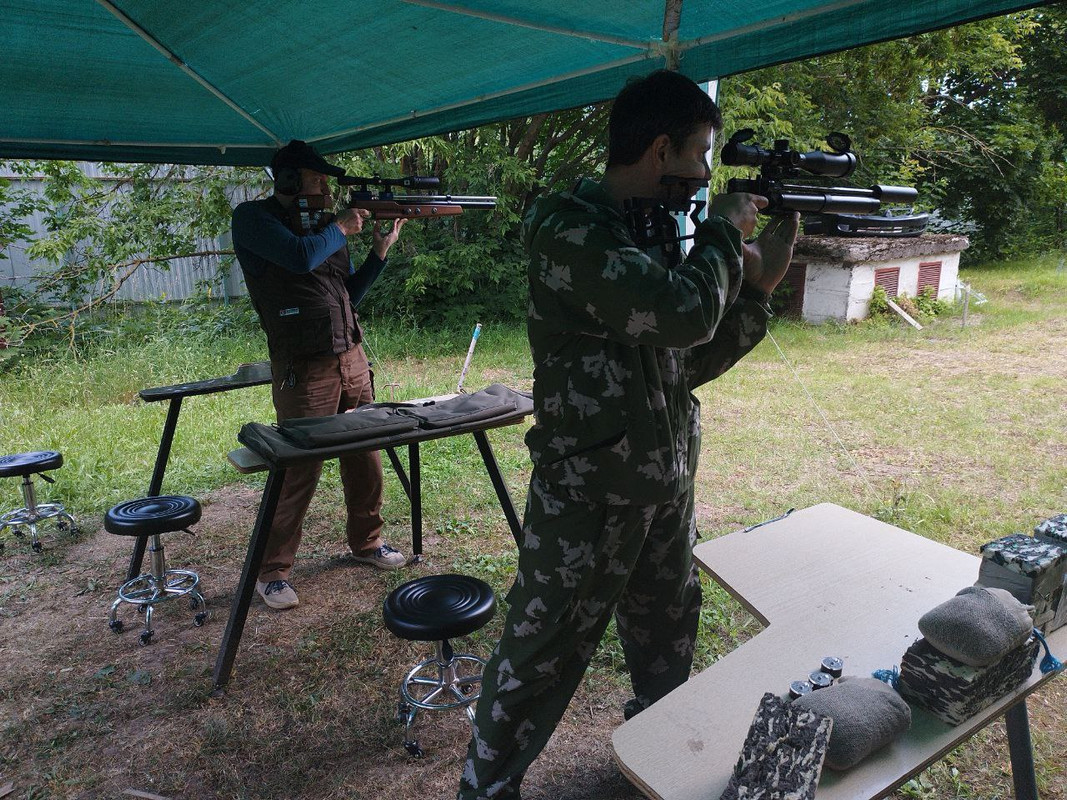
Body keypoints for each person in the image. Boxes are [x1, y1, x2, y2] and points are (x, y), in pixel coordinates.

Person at [457, 70, 799, 798]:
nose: (704, 174)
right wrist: (722, 232)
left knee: (666, 635)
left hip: (661, 482)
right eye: (698, 154)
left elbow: (682, 362)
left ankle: (657, 759)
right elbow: (682, 314)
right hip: (591, 493)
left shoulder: (650, 230)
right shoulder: (570, 231)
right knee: (541, 652)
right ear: (659, 149)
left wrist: (756, 293)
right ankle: (485, 789)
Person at [231, 139, 408, 611]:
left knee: (365, 455)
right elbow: (298, 257)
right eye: (317, 179)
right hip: (304, 368)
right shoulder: (254, 219)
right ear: (290, 180)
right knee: (298, 468)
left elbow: (348, 294)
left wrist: (378, 254)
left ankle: (367, 542)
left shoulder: (324, 229)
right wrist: (341, 226)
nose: (327, 189)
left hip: (351, 358)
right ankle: (272, 571)